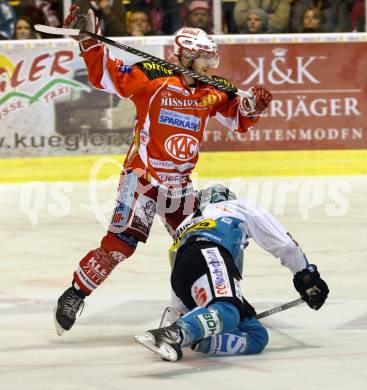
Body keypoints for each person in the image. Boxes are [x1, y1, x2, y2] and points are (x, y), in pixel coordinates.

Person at [53, 5, 272, 337]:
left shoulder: (211, 90)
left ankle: (222, 296)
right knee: (121, 243)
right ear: (185, 57)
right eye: (204, 59)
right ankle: (75, 293)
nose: (211, 66)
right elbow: (105, 74)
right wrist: (88, 39)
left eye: (212, 59)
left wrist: (253, 105)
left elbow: (238, 118)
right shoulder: (152, 76)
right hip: (142, 178)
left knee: (205, 239)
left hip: (179, 187)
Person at [134, 184, 329, 361]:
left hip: (184, 273)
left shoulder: (187, 225)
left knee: (256, 336)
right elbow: (287, 246)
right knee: (228, 313)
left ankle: (195, 338)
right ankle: (172, 334)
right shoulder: (237, 206)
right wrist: (307, 279)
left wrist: (180, 314)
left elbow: (182, 279)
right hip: (210, 253)